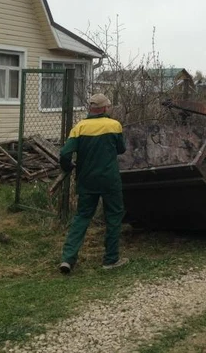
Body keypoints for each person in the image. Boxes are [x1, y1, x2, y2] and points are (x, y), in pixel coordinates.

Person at [58, 93, 128, 274]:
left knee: (82, 217)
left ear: (91, 109)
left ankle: (67, 258)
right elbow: (121, 149)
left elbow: (65, 153)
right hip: (109, 180)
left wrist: (67, 166)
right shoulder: (114, 126)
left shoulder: (79, 127)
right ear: (105, 108)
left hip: (87, 180)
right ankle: (111, 259)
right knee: (113, 215)